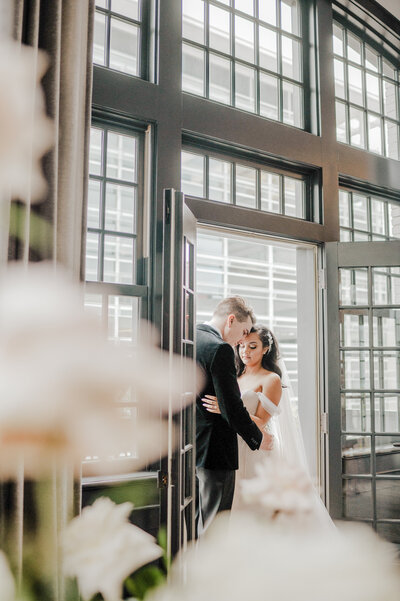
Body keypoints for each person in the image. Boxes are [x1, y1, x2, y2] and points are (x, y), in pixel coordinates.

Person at [203, 325, 334, 526]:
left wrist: (225, 409)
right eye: (242, 346)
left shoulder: (271, 379)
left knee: (256, 508)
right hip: (232, 445)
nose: (245, 351)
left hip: (256, 451)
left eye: (252, 346)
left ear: (265, 349)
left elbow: (261, 423)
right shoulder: (235, 375)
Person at [195, 297, 274, 536]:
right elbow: (232, 408)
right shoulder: (220, 349)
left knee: (195, 521)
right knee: (214, 526)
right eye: (244, 331)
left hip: (190, 447)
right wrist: (257, 438)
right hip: (216, 451)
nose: (242, 339)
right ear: (231, 320)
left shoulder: (190, 338)